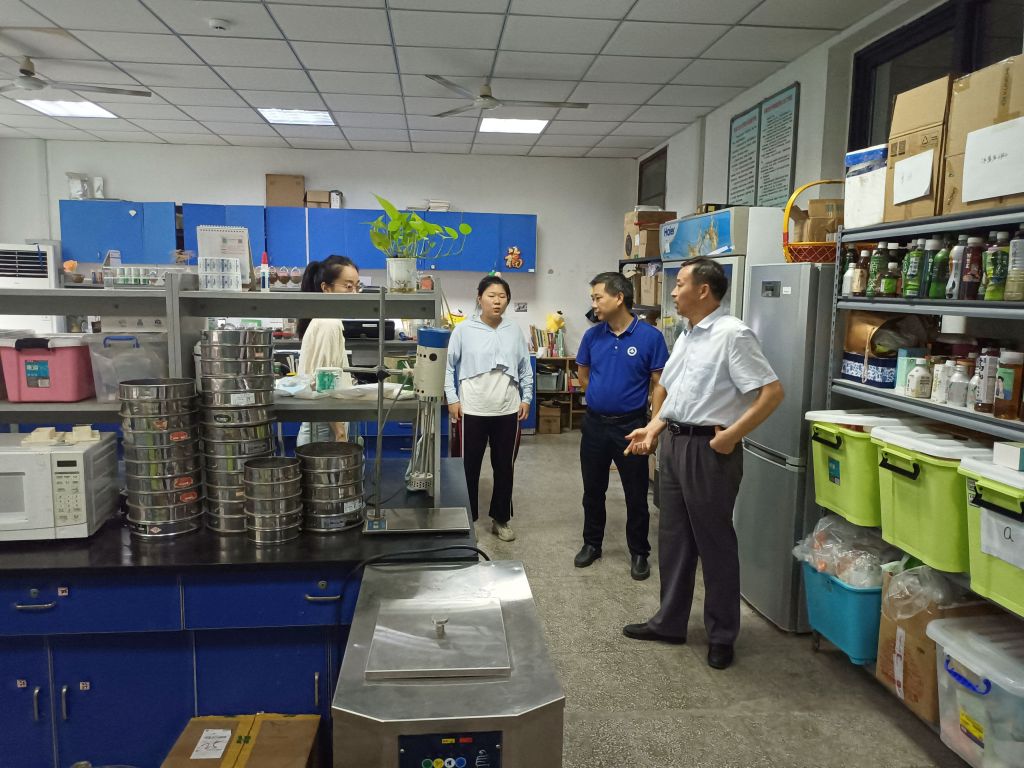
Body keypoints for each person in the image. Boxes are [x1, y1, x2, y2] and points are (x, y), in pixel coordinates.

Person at [621, 257, 783, 670]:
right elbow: (675, 394)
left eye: (679, 284)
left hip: (709, 449)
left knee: (714, 543)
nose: (673, 292)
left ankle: (722, 635)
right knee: (674, 539)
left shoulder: (733, 334)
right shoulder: (688, 335)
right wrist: (654, 428)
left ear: (703, 290)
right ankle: (670, 623)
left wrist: (732, 435)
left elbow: (772, 392)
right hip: (675, 444)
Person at [574, 271, 669, 580]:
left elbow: (659, 383)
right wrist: (599, 397)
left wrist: (653, 426)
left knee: (636, 493)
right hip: (594, 426)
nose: (593, 304)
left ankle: (639, 552)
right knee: (593, 490)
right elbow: (583, 373)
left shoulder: (650, 337)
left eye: (597, 297)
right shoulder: (593, 336)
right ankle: (592, 543)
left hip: (631, 427)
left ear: (618, 298)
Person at [445, 275, 533, 542]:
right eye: (491, 295)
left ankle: (501, 519)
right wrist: (452, 399)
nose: (497, 301)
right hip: (471, 409)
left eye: (502, 296)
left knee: (504, 468)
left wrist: (526, 398)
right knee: (468, 468)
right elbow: (448, 367)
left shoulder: (514, 330)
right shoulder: (463, 330)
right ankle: (467, 520)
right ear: (479, 298)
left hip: (507, 409)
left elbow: (525, 368)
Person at [296, 255, 360, 447]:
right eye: (348, 286)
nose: (355, 293)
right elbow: (323, 385)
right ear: (326, 288)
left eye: (357, 287)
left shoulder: (327, 319)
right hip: (324, 430)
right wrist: (340, 433)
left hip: (325, 425)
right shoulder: (328, 323)